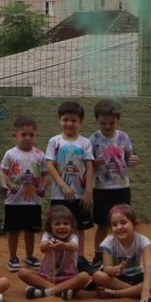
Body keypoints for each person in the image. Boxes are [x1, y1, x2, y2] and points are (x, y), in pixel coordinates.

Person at [42, 101, 96, 261]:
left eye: (74, 120)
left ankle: (78, 258)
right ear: (60, 120)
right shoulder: (55, 141)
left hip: (80, 195)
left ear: (81, 122)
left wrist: (88, 191)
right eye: (65, 120)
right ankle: (56, 258)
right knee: (57, 226)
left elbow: (89, 166)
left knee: (79, 228)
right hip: (60, 195)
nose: (69, 123)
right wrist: (62, 185)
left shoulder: (85, 142)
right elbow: (49, 164)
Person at [91, 205, 151, 302]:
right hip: (117, 279)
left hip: (137, 276)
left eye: (123, 223)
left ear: (135, 224)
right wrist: (114, 270)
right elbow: (107, 268)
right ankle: (136, 292)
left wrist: (145, 290)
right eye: (114, 225)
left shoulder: (143, 241)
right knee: (98, 276)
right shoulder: (109, 242)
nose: (119, 227)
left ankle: (117, 294)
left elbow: (148, 268)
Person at [89, 100, 137, 262]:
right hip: (101, 188)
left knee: (124, 223)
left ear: (118, 120)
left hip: (122, 186)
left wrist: (133, 160)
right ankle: (98, 255)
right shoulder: (93, 139)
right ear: (97, 120)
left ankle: (123, 254)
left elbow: (130, 158)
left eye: (112, 122)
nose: (108, 126)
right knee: (103, 224)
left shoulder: (123, 137)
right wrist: (95, 163)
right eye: (103, 123)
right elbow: (88, 164)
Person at [1, 115, 48, 270]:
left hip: (33, 200)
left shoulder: (40, 155)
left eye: (31, 135)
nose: (27, 138)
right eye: (23, 135)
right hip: (14, 200)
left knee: (30, 230)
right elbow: (3, 173)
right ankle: (13, 257)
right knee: (13, 230)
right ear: (15, 135)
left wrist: (43, 186)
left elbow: (46, 174)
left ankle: (29, 256)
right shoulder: (10, 154)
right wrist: (9, 184)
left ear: (36, 136)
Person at [19, 205, 91, 300]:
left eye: (66, 223)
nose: (62, 227)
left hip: (68, 278)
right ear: (50, 226)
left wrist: (63, 245)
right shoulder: (47, 235)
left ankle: (45, 292)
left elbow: (74, 247)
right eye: (57, 224)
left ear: (71, 225)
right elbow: (42, 248)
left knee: (84, 277)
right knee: (22, 272)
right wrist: (48, 245)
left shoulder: (73, 237)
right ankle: (61, 292)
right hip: (47, 277)